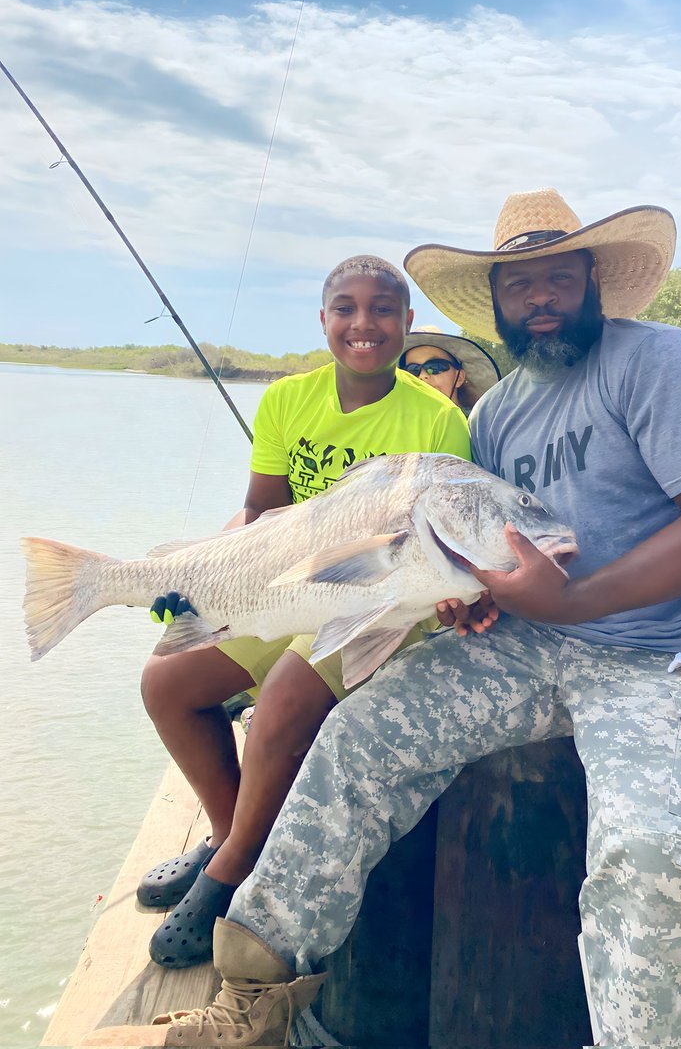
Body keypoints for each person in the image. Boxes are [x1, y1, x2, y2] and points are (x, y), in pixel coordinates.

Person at [86, 190, 681, 1049]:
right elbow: (487, 556)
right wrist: (470, 599)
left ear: (594, 280)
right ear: (497, 301)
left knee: (654, 853)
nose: (541, 298)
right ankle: (255, 998)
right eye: (520, 284)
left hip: (669, 657)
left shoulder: (660, 361)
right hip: (530, 646)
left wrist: (571, 600)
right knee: (354, 742)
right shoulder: (496, 414)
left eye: (559, 277)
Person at [135, 254, 470, 970]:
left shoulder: (440, 421)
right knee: (166, 682)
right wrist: (199, 575)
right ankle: (230, 835)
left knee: (286, 696)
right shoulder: (287, 400)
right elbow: (261, 513)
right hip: (289, 584)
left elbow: (441, 540)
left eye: (383, 309)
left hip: (382, 600)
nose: (363, 323)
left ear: (407, 323)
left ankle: (231, 875)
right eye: (345, 308)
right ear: (323, 320)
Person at [399, 324, 501, 413]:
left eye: (435, 366)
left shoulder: (480, 426)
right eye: (412, 370)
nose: (422, 375)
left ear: (459, 378)